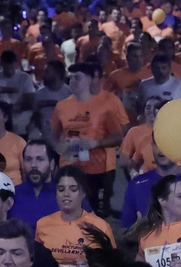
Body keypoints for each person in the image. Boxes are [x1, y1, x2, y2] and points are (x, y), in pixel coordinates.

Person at [50, 63, 127, 216]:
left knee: (97, 213)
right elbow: (53, 134)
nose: (72, 82)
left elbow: (118, 137)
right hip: (70, 166)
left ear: (90, 80)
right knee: (71, 209)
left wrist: (95, 143)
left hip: (97, 168)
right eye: (70, 78)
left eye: (77, 78)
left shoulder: (104, 106)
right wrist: (58, 146)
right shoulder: (62, 106)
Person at [10, 139, 63, 226]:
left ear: (52, 164)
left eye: (40, 159)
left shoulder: (66, 195)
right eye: (28, 159)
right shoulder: (12, 195)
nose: (33, 165)